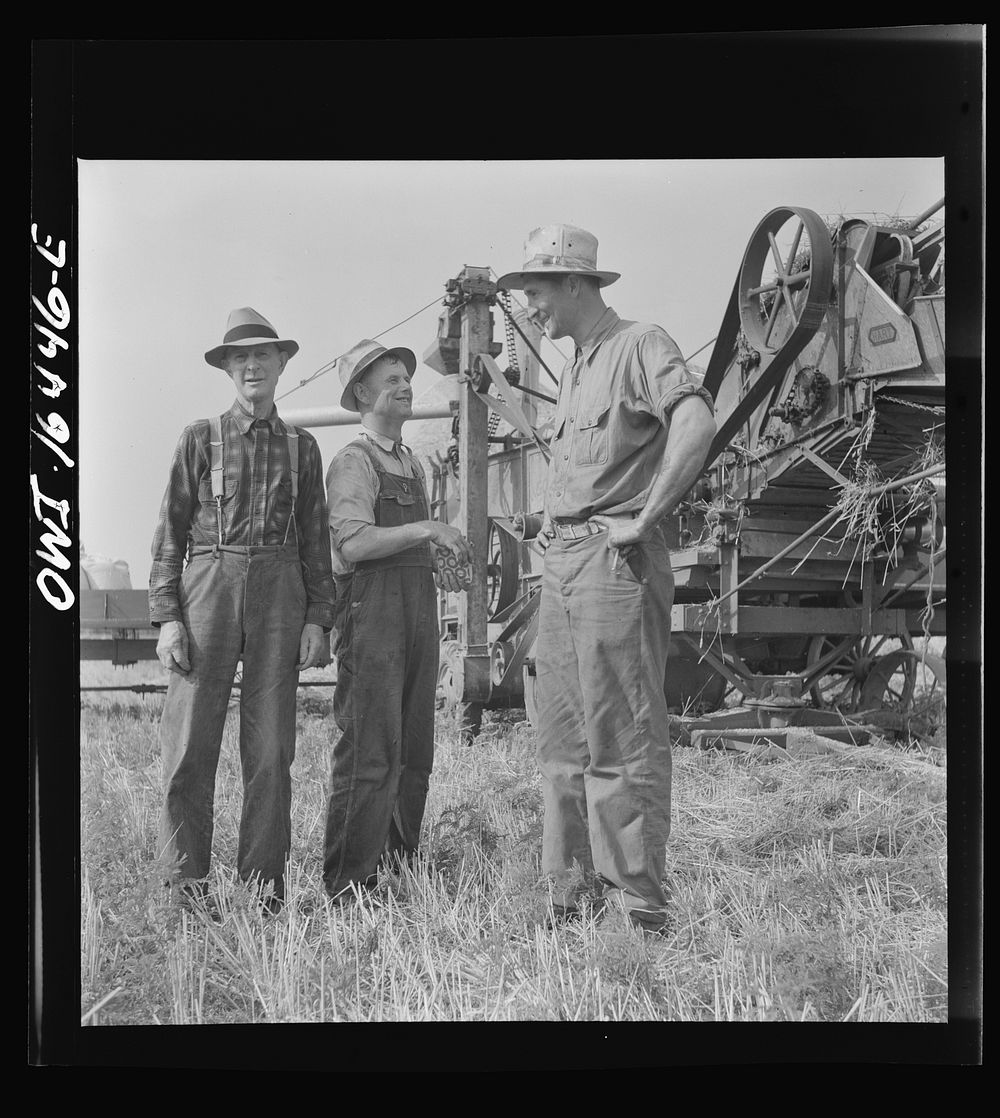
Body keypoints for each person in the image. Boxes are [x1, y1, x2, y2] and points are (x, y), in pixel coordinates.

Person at [496, 225, 717, 935]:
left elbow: (696, 421)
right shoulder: (579, 368)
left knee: (619, 739)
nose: (530, 306)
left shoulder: (640, 345)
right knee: (560, 744)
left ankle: (636, 911)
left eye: (536, 291)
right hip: (559, 567)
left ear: (576, 284)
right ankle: (569, 899)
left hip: (611, 564)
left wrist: (646, 517)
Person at [149, 307, 335, 914]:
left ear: (282, 363)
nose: (251, 365)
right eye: (239, 358)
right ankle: (185, 892)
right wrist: (169, 616)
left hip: (282, 590)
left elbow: (315, 537)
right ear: (227, 368)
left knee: (272, 750)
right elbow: (170, 533)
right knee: (189, 747)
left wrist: (317, 617)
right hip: (209, 585)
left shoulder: (302, 448)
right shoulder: (200, 437)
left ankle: (262, 894)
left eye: (263, 355)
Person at [322, 339, 472, 903]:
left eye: (407, 377)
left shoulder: (409, 462)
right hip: (372, 612)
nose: (405, 386)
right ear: (362, 394)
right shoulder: (353, 462)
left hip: (415, 610)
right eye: (391, 380)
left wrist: (437, 563)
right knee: (370, 749)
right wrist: (429, 530)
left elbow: (406, 545)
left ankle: (398, 868)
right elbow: (355, 543)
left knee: (414, 748)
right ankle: (347, 884)